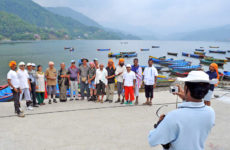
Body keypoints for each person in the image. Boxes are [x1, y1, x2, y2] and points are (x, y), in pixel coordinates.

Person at [148, 71, 215, 150]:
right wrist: (185, 97)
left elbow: (152, 140)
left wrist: (159, 124)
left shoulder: (174, 116)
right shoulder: (210, 112)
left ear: (186, 88)